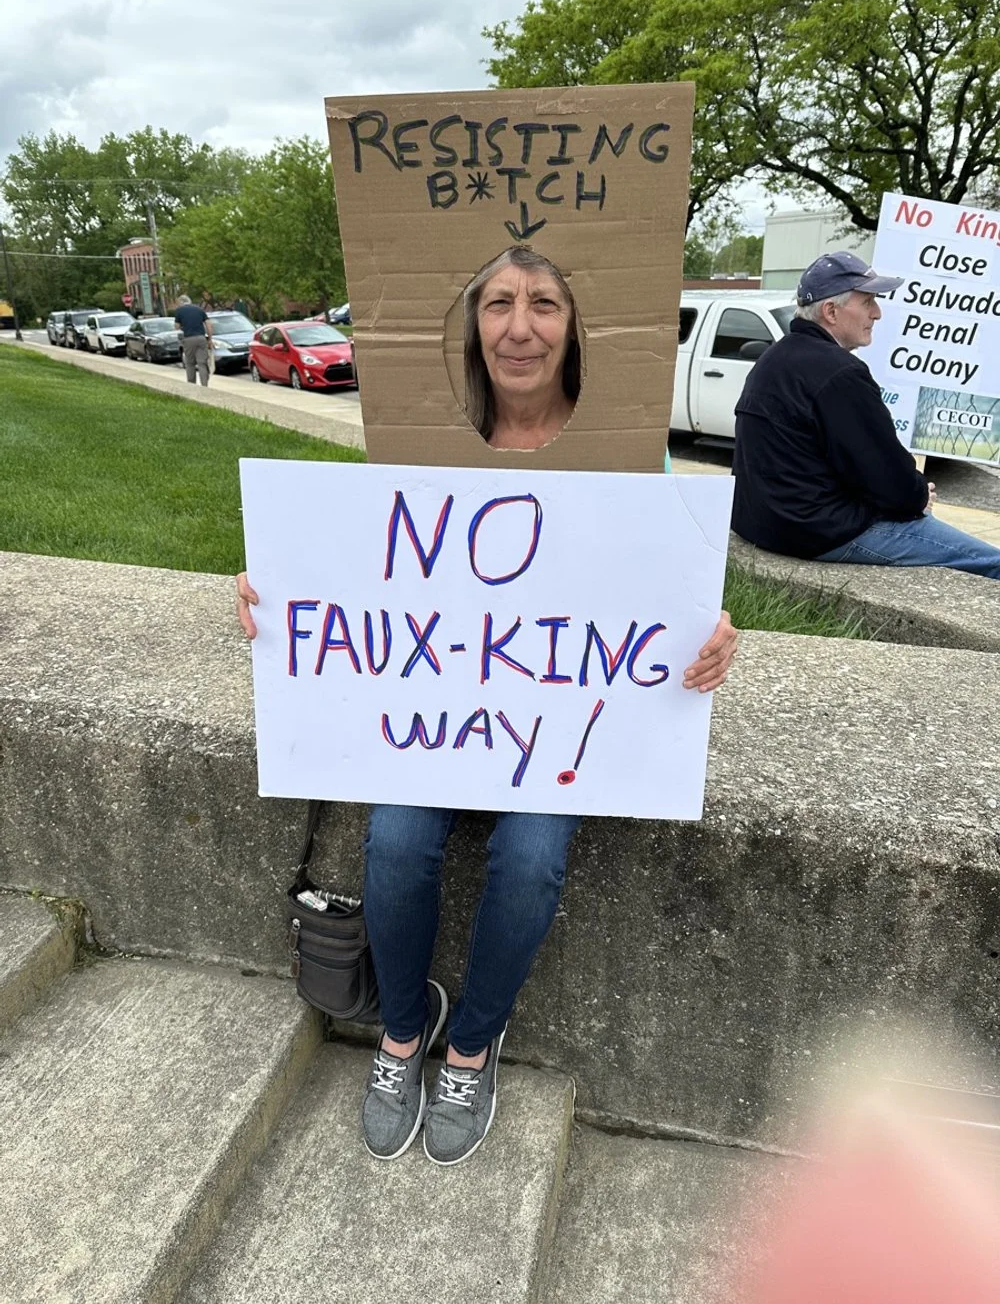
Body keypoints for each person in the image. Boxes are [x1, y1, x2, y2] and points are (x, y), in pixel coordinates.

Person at [236, 245, 738, 1166]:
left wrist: (712, 629)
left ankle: (470, 1041)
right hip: (435, 717)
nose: (518, 326)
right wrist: (270, 585)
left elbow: (665, 581)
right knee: (396, 839)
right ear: (468, 321)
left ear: (576, 322)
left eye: (544, 303)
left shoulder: (631, 449)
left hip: (553, 725)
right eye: (497, 302)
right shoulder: (424, 439)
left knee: (534, 853)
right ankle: (400, 1028)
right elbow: (352, 566)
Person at [731, 251, 1000, 579]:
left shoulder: (775, 358)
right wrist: (917, 496)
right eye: (868, 301)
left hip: (763, 523)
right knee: (989, 561)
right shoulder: (839, 373)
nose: (878, 313)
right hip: (815, 531)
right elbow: (885, 475)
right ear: (831, 311)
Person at [174, 293, 213, 387]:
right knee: (202, 363)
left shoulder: (179, 311)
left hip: (188, 338)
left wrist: (183, 325)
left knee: (190, 363)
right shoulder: (199, 310)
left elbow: (177, 326)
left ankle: (192, 385)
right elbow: (209, 324)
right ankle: (205, 385)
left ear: (181, 303)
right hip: (201, 338)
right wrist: (210, 339)